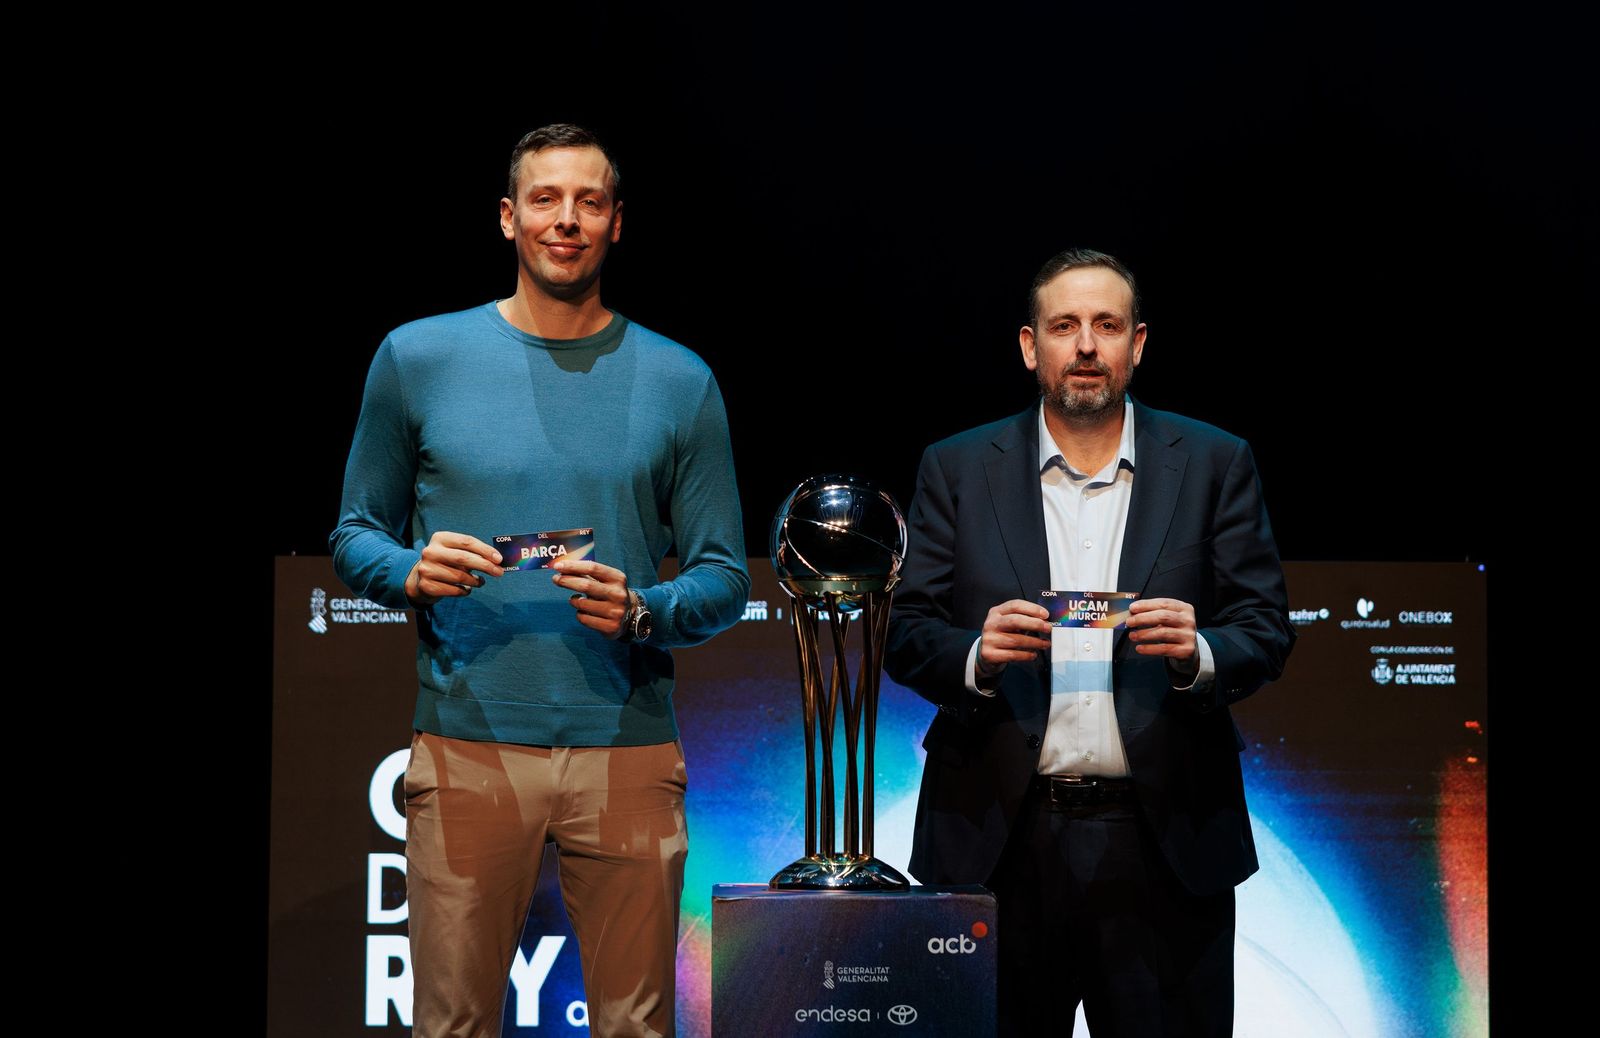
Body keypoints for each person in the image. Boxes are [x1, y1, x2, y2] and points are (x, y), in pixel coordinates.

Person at [331, 123, 749, 1038]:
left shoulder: (682, 381)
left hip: (628, 748)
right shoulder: (417, 358)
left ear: (616, 223)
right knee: (451, 1025)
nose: (569, 220)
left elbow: (722, 574)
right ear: (510, 217)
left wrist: (644, 609)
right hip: (467, 742)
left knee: (636, 1027)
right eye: (548, 200)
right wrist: (410, 569)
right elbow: (354, 534)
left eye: (590, 201)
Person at [885, 249, 1293, 1037]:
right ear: (1029, 346)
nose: (1085, 345)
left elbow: (1265, 629)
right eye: (1064, 325)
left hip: (1166, 844)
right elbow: (906, 632)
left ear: (1137, 344)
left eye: (1106, 326)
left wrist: (1199, 651)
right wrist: (975, 654)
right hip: (998, 842)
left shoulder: (1214, 462)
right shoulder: (957, 466)